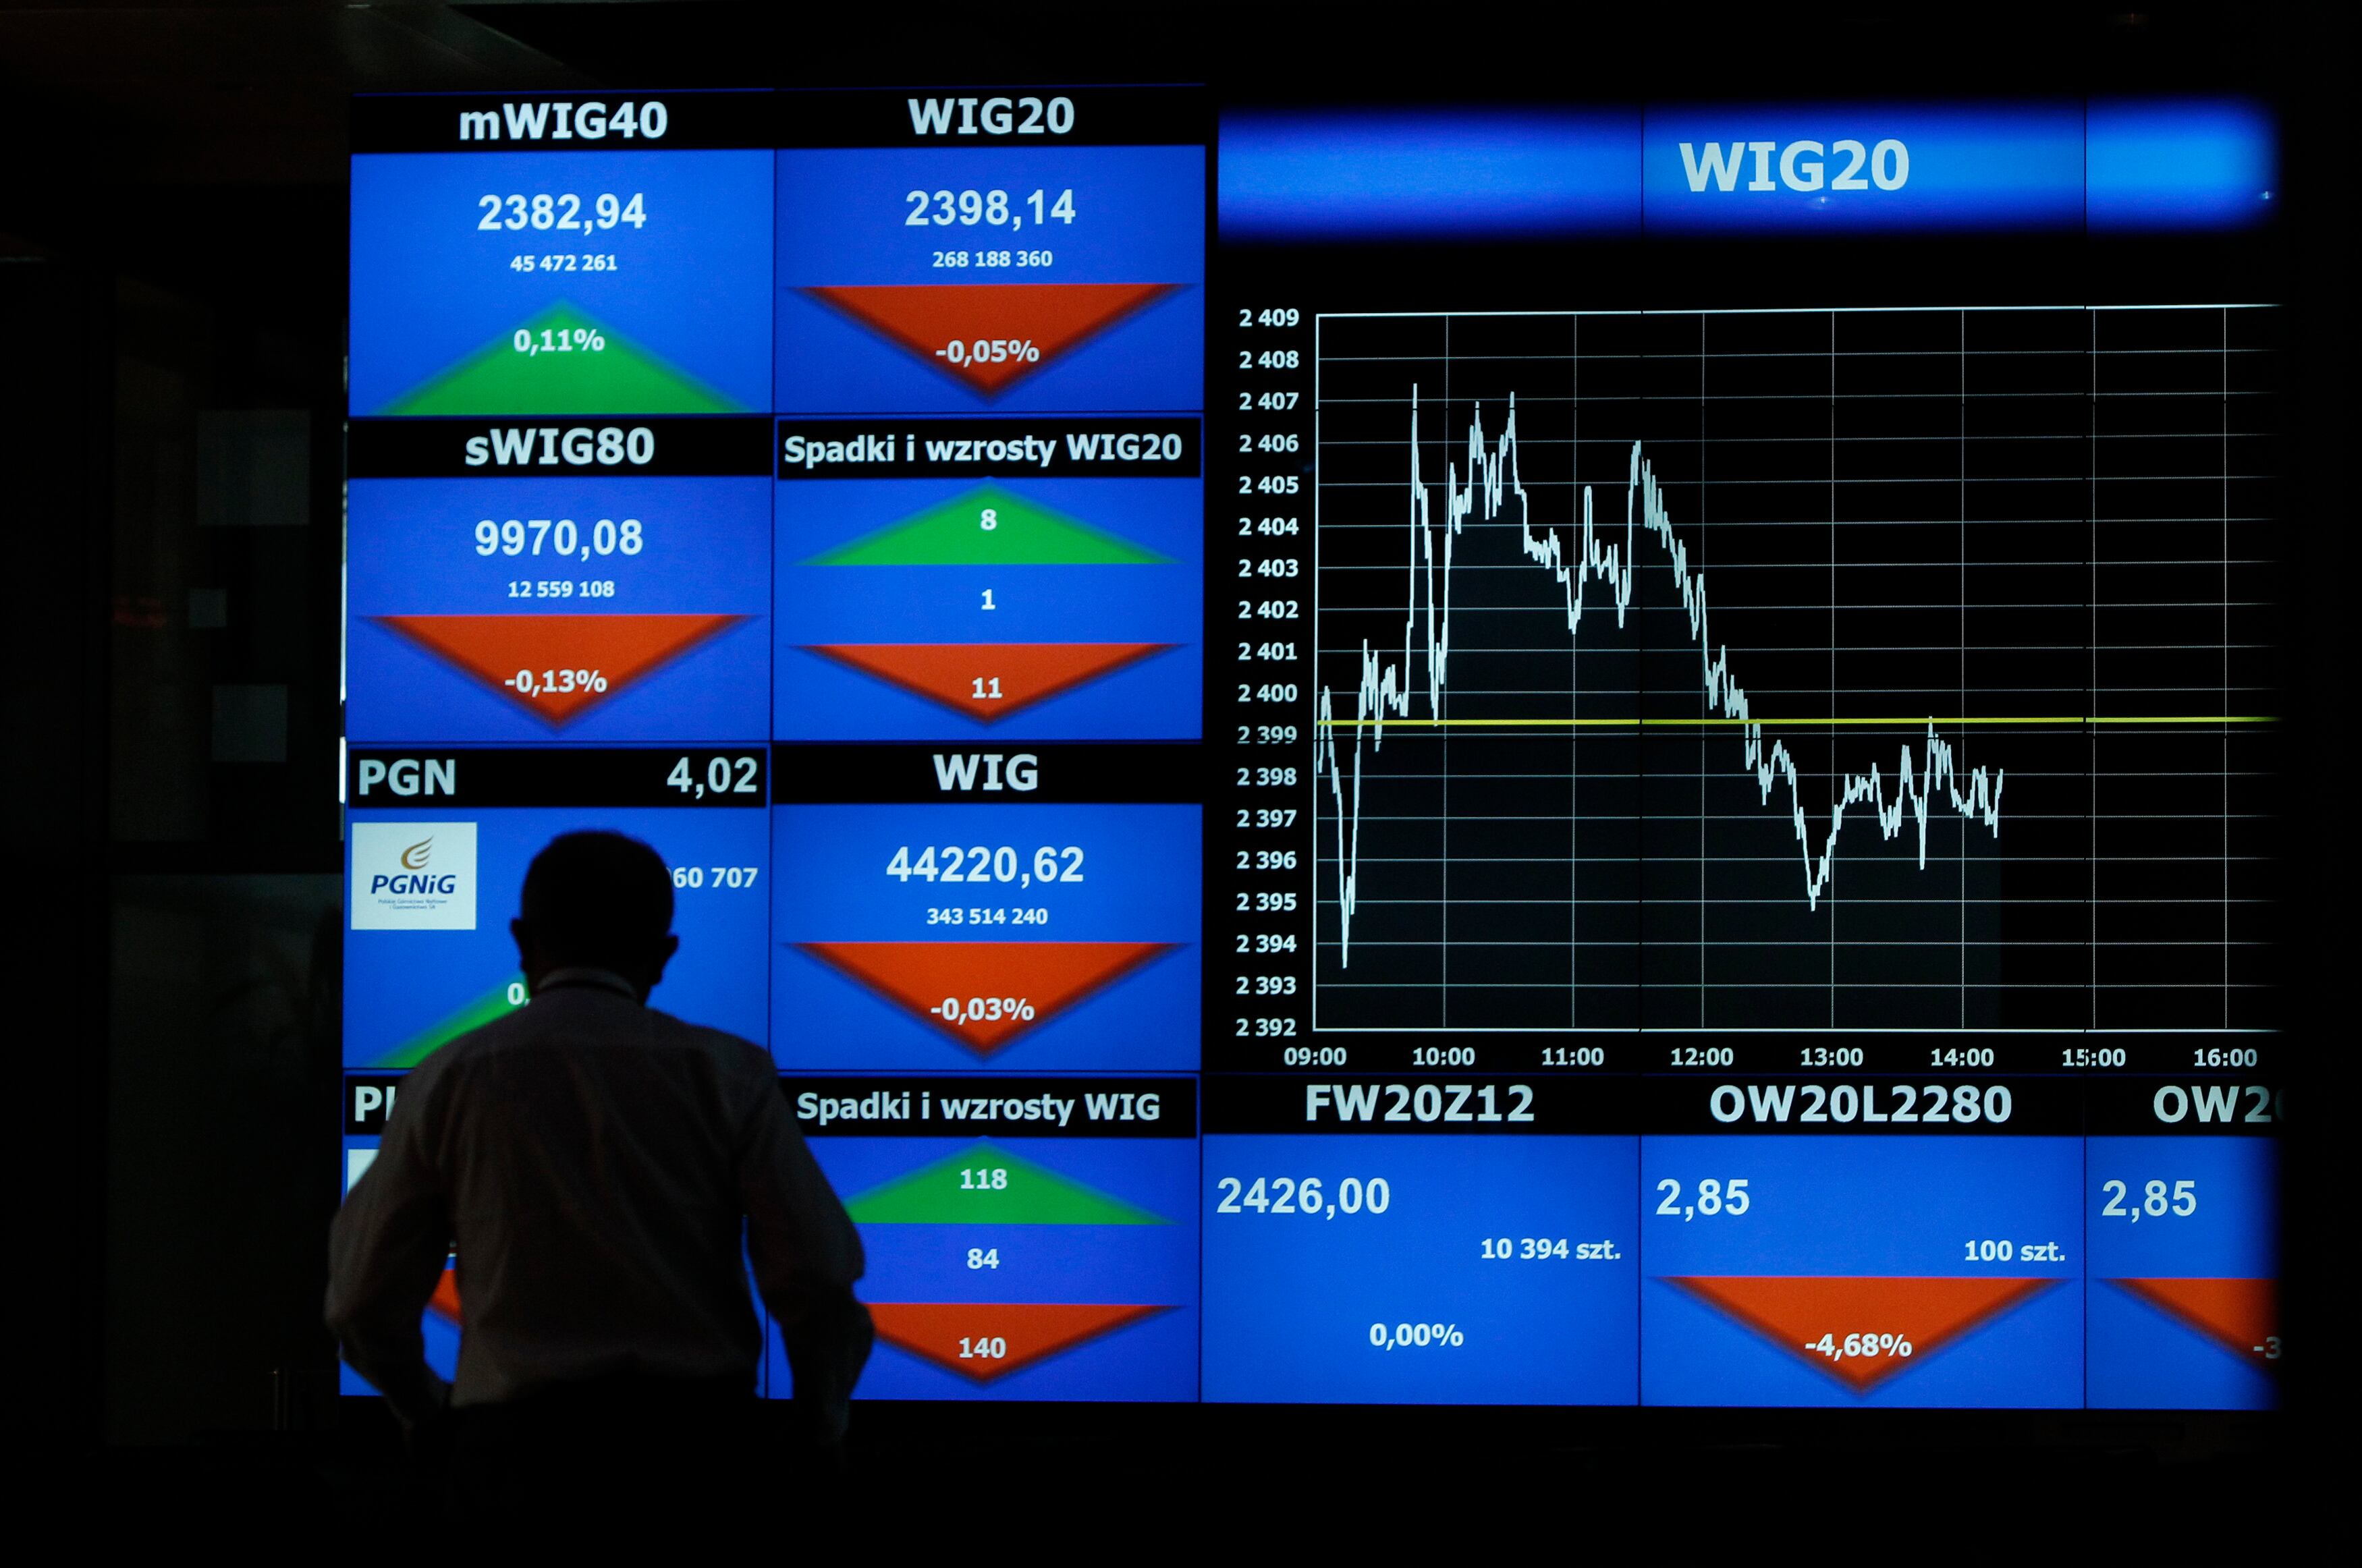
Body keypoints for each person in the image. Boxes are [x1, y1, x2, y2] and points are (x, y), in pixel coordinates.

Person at [327, 830, 870, 1511]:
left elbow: (360, 1302)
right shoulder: (729, 1074)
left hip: (512, 1467)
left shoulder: (447, 1079)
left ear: (522, 940)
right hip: (699, 1456)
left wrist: (429, 1416)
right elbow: (817, 1275)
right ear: (663, 953)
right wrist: (819, 1428)